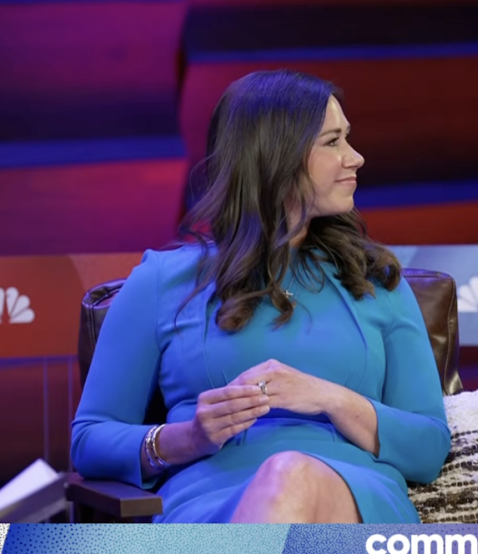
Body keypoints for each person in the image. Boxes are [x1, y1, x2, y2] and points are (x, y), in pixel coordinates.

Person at [71, 69, 451, 523]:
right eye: (333, 142)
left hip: (356, 506)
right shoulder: (162, 281)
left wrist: (329, 398)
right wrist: (188, 437)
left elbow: (429, 447)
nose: (355, 157)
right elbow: (89, 440)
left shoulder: (375, 281)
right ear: (276, 156)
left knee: (290, 475)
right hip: (205, 508)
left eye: (347, 138)